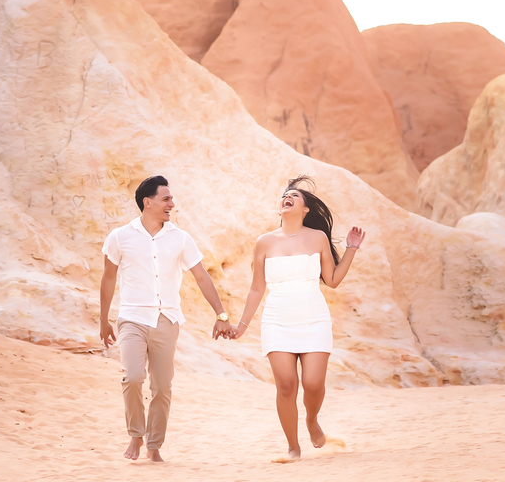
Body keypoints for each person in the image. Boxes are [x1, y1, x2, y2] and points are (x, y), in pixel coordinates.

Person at [229, 175, 366, 461]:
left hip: (313, 318)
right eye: (284, 196)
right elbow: (257, 288)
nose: (287, 198)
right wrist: (242, 326)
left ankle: (312, 420)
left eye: (295, 196)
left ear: (305, 209)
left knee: (314, 384)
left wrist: (352, 248)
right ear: (279, 206)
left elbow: (332, 280)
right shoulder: (264, 242)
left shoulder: (318, 238)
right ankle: (293, 447)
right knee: (287, 385)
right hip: (277, 319)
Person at [99, 175, 233, 462]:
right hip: (132, 318)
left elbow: (201, 277)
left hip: (166, 320)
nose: (172, 204)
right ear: (148, 203)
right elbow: (108, 278)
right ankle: (136, 434)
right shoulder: (119, 237)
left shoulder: (181, 238)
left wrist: (221, 314)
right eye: (166, 199)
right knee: (133, 377)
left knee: (162, 386)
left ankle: (154, 446)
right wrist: (104, 319)